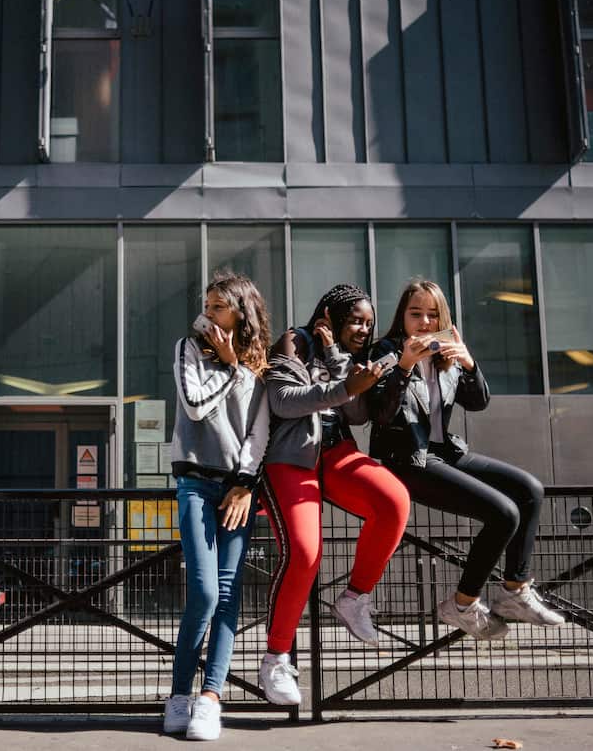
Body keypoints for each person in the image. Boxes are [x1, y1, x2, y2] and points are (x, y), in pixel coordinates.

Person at [367, 279, 565, 640]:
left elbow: (478, 402)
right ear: (402, 316)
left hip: (446, 453)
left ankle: (514, 591)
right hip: (407, 459)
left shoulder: (446, 354)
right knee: (504, 513)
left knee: (529, 490)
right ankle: (461, 605)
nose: (425, 322)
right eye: (416, 314)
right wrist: (404, 367)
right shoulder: (385, 352)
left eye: (432, 314)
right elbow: (379, 415)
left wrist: (470, 364)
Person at [256, 285, 411, 706]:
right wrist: (343, 386)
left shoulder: (346, 355)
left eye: (368, 322)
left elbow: (358, 414)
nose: (364, 329)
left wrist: (340, 362)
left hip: (337, 452)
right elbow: (282, 401)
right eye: (355, 320)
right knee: (305, 553)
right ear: (330, 314)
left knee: (393, 500)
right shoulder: (295, 341)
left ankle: (355, 598)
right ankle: (276, 658)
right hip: (290, 457)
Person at [165, 272, 272, 741]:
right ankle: (178, 695)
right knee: (205, 593)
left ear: (240, 312)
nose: (209, 314)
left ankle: (210, 697)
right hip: (194, 482)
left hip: (236, 489)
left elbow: (258, 432)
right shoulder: (187, 349)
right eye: (207, 306)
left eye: (219, 307)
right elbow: (192, 406)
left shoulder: (258, 367)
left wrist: (246, 483)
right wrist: (229, 370)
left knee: (229, 595)